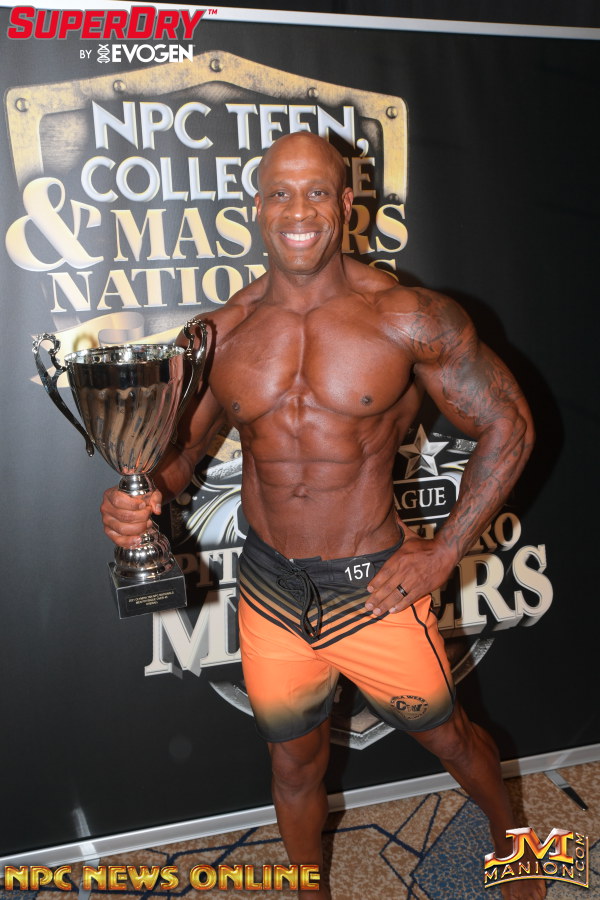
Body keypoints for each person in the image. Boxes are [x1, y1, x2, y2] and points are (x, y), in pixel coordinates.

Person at [101, 132, 542, 899]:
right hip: (270, 587)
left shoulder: (408, 317)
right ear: (257, 207)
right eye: (280, 193)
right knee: (293, 763)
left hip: (374, 588)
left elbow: (510, 423)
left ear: (346, 203)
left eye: (315, 192)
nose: (297, 210)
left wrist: (444, 551)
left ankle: (516, 843)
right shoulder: (218, 335)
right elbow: (180, 453)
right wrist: (139, 496)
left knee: (451, 739)